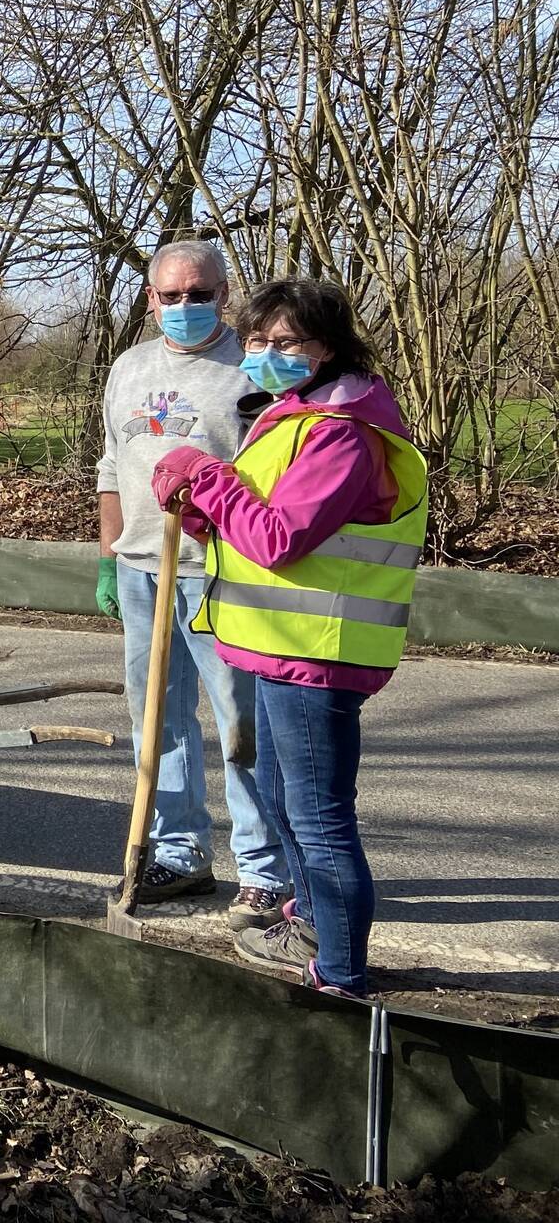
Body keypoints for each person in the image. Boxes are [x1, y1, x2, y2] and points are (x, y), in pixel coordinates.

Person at [156, 279, 427, 998]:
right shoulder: (293, 416)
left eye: (286, 343)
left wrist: (205, 474)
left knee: (320, 821)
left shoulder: (342, 434)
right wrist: (200, 511)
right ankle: (304, 923)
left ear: (326, 348)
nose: (267, 353)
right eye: (258, 341)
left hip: (318, 653)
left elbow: (278, 539)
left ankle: (338, 976)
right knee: (280, 800)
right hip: (278, 645)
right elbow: (254, 524)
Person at [96, 240, 290, 928]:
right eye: (170, 296)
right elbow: (112, 464)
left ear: (224, 295)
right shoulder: (129, 368)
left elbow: (279, 474)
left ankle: (266, 872)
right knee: (158, 721)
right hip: (143, 567)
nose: (184, 306)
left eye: (198, 294)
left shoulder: (252, 369)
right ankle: (179, 853)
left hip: (225, 573)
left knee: (243, 723)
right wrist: (108, 552)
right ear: (151, 300)